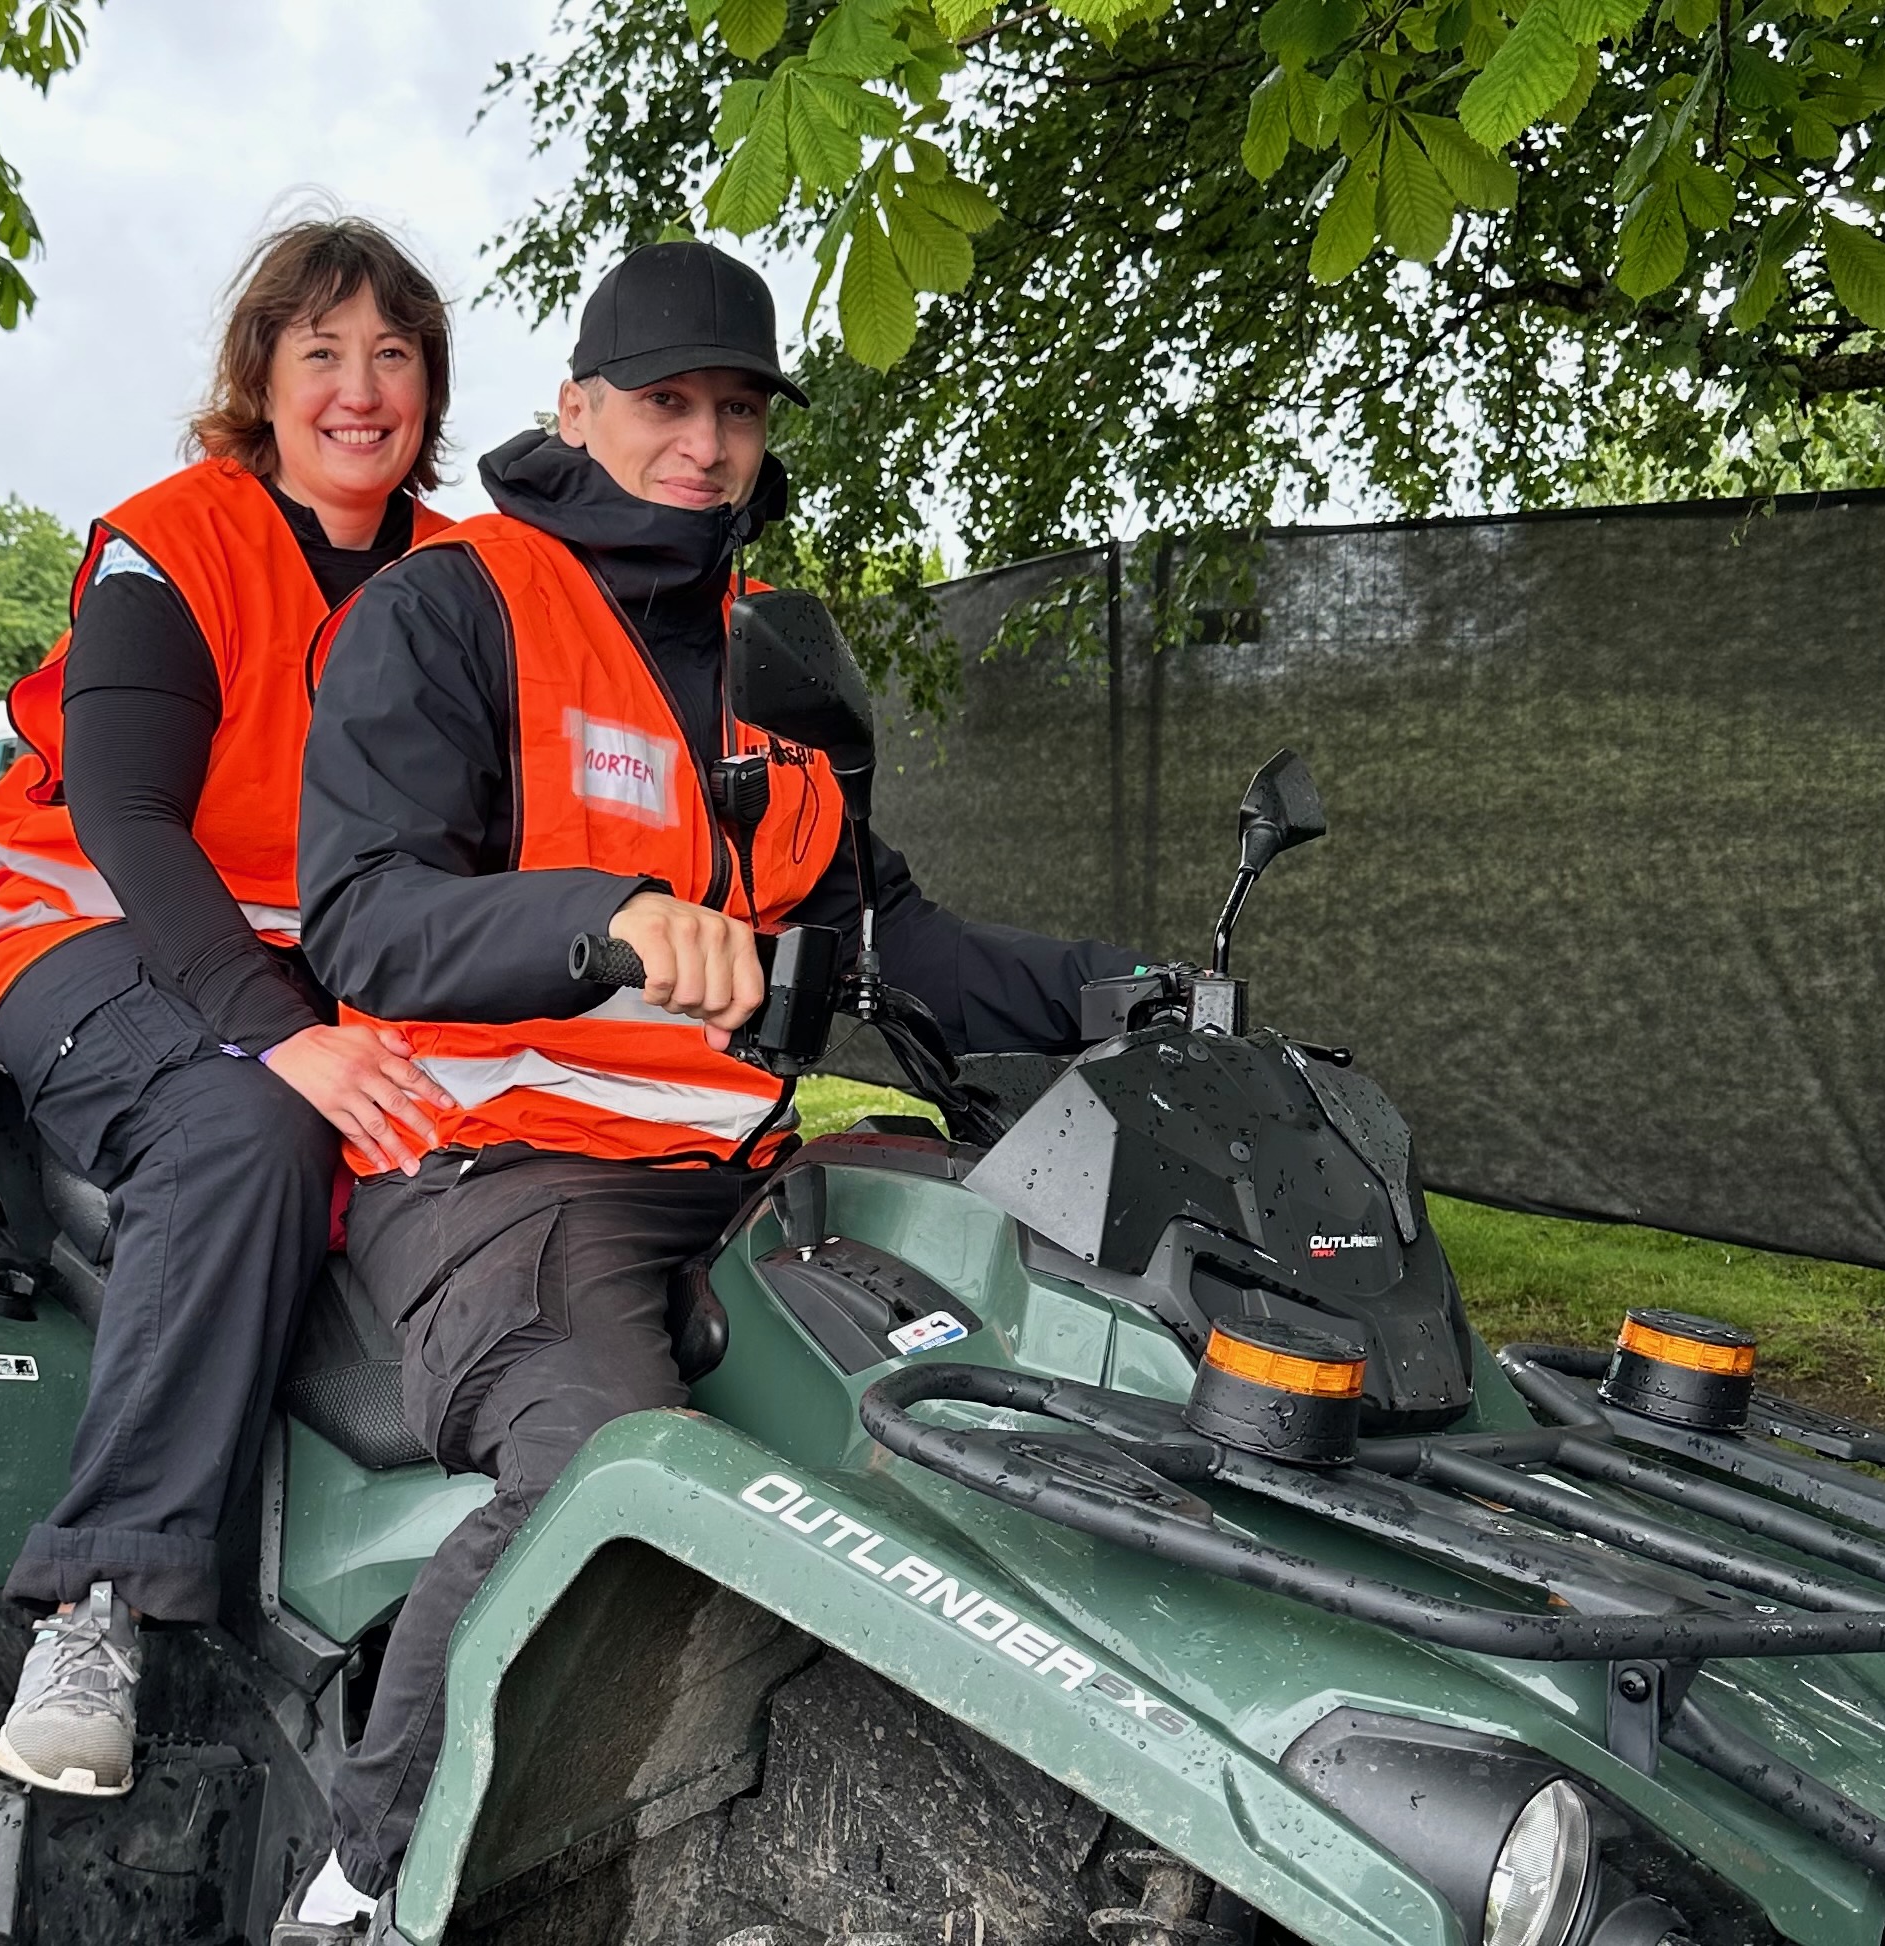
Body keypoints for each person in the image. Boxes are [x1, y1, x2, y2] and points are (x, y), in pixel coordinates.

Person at [272, 240, 1146, 1938]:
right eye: (665, 401)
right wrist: (602, 920)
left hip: (739, 1174)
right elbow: (363, 911)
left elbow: (889, 935)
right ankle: (359, 1879)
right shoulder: (452, 609)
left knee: (1027, 1350)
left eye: (737, 409)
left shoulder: (773, 662)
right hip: (497, 1173)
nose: (704, 442)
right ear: (575, 407)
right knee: (604, 1465)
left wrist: (1120, 989)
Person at [0, 218, 460, 1799]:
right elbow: (128, 816)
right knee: (245, 1124)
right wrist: (281, 1030)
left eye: (393, 354)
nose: (359, 389)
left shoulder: (469, 581)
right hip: (94, 936)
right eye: (323, 352)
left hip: (329, 966)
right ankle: (99, 1604)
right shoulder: (175, 544)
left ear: (431, 388)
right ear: (262, 377)